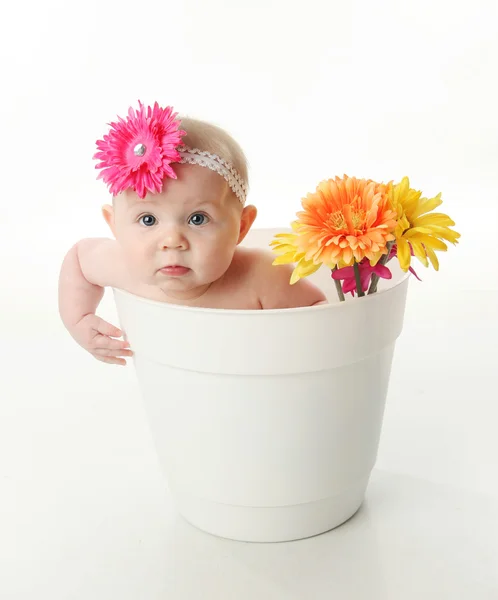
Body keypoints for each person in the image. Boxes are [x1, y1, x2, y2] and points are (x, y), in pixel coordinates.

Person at [58, 102, 326, 366]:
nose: (172, 241)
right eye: (148, 219)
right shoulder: (120, 264)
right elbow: (80, 258)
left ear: (241, 227)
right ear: (114, 226)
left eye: (198, 219)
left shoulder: (262, 277)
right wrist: (78, 319)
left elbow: (322, 316)